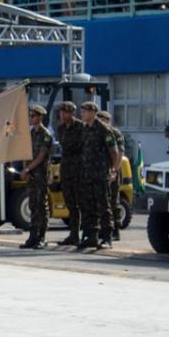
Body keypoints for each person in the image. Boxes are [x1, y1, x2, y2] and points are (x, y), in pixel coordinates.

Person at [78, 102, 119, 251]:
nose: (82, 114)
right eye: (82, 111)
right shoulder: (85, 128)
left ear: (92, 112)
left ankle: (107, 237)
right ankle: (91, 236)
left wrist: (113, 170)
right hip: (87, 174)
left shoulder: (103, 129)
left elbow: (113, 151)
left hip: (100, 174)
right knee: (88, 206)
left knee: (103, 206)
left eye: (84, 111)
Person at [19, 105, 52, 250]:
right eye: (30, 116)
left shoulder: (46, 135)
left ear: (40, 117)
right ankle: (33, 236)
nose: (31, 119)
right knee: (32, 204)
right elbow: (26, 152)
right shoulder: (31, 134)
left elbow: (41, 156)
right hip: (31, 174)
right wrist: (25, 169)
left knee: (41, 206)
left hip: (41, 174)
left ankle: (42, 237)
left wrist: (28, 168)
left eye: (33, 116)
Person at [55, 102, 84, 246]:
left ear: (72, 113)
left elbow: (80, 146)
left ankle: (85, 234)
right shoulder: (60, 128)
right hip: (66, 167)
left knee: (82, 202)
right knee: (70, 203)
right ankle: (73, 234)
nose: (62, 115)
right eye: (61, 112)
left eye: (65, 112)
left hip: (79, 168)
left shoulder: (81, 127)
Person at [97, 110, 126, 242]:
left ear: (108, 120)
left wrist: (114, 170)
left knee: (114, 201)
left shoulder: (115, 133)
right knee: (103, 201)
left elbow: (119, 153)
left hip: (113, 170)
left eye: (103, 120)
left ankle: (116, 230)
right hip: (101, 170)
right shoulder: (98, 132)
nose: (101, 122)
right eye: (99, 119)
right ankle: (103, 230)